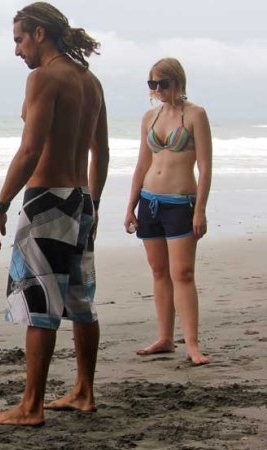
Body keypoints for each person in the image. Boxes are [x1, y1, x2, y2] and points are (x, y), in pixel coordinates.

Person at [0, 2, 109, 426]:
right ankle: (83, 391)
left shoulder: (44, 78)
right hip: (80, 198)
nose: (17, 50)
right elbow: (103, 152)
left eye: (19, 39)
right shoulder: (89, 81)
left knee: (39, 303)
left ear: (40, 34)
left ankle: (31, 406)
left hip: (46, 201)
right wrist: (92, 201)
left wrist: (1, 203)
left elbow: (30, 150)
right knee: (80, 301)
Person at [124, 58, 212, 366]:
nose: (158, 89)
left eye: (164, 83)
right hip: (149, 203)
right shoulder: (150, 116)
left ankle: (192, 344)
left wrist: (200, 210)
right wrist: (130, 206)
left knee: (183, 274)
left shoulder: (196, 115)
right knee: (159, 272)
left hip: (181, 203)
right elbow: (142, 165)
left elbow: (205, 166)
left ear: (178, 82)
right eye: (153, 84)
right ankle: (165, 338)